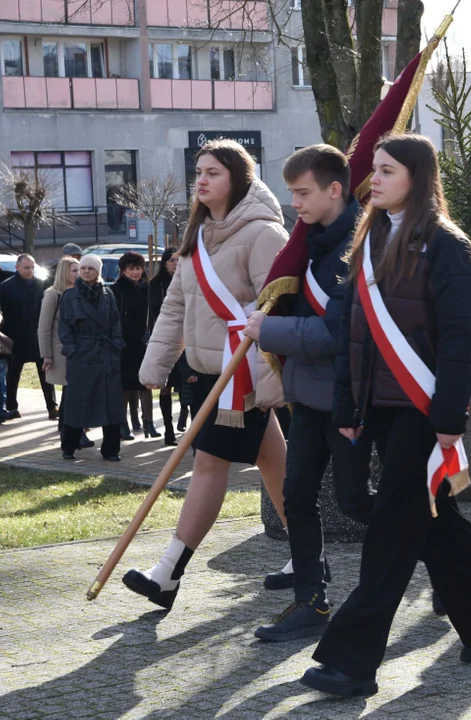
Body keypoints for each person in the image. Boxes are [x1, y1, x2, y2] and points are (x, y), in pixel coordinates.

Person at [298, 133, 471, 698]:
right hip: (377, 407)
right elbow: (355, 334)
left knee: (394, 530)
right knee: (435, 520)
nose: (372, 180)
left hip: (424, 411)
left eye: (386, 171)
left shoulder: (448, 245)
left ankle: (352, 661)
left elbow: (459, 341)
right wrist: (350, 405)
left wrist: (450, 418)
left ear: (417, 179)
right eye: (372, 170)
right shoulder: (371, 235)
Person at [124, 139, 289, 611]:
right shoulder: (197, 235)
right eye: (198, 172)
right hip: (204, 375)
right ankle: (308, 555)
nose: (201, 180)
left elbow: (276, 308)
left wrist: (268, 380)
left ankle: (168, 574)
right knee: (274, 462)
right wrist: (155, 363)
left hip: (241, 378)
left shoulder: (264, 235)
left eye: (213, 172)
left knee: (210, 465)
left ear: (238, 177)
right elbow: (177, 304)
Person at [245, 144, 375, 641]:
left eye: (302, 193)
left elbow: (334, 336)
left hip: (346, 400)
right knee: (296, 496)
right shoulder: (311, 245)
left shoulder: (359, 247)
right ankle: (310, 601)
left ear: (335, 189)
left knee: (356, 501)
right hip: (307, 397)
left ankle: (446, 571)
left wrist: (266, 332)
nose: (293, 204)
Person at [57, 255, 124, 460]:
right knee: (78, 403)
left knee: (111, 403)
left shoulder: (107, 294)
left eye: (90, 268)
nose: (86, 271)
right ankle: (69, 447)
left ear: (98, 271)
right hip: (82, 356)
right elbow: (64, 328)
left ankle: (111, 450)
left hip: (106, 355)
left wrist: (115, 346)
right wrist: (72, 350)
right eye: (83, 268)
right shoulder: (70, 296)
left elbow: (115, 323)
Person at [38, 257, 92, 447]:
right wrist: (47, 354)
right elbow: (44, 327)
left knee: (74, 392)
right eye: (75, 271)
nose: (79, 274)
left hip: (81, 350)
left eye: (80, 270)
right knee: (72, 391)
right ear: (64, 272)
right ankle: (74, 433)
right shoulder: (53, 294)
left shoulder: (82, 292)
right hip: (62, 352)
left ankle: (70, 431)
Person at [0, 254, 57, 420]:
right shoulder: (5, 287)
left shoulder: (41, 286)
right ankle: (11, 406)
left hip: (38, 337)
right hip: (15, 338)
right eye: (26, 267)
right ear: (17, 268)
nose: (30, 271)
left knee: (46, 374)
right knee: (13, 375)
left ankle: (52, 407)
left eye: (32, 267)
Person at [113, 252, 158, 440]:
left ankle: (149, 422)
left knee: (145, 383)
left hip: (144, 342)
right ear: (123, 271)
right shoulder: (116, 290)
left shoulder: (148, 288)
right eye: (131, 269)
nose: (135, 272)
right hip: (124, 343)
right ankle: (122, 424)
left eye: (138, 268)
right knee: (125, 385)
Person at [148, 248, 190, 446]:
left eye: (178, 260)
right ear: (164, 263)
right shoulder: (156, 284)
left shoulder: (189, 280)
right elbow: (155, 312)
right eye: (171, 260)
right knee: (165, 387)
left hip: (187, 341)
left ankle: (186, 422)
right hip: (166, 339)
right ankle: (169, 430)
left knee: (187, 386)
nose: (175, 263)